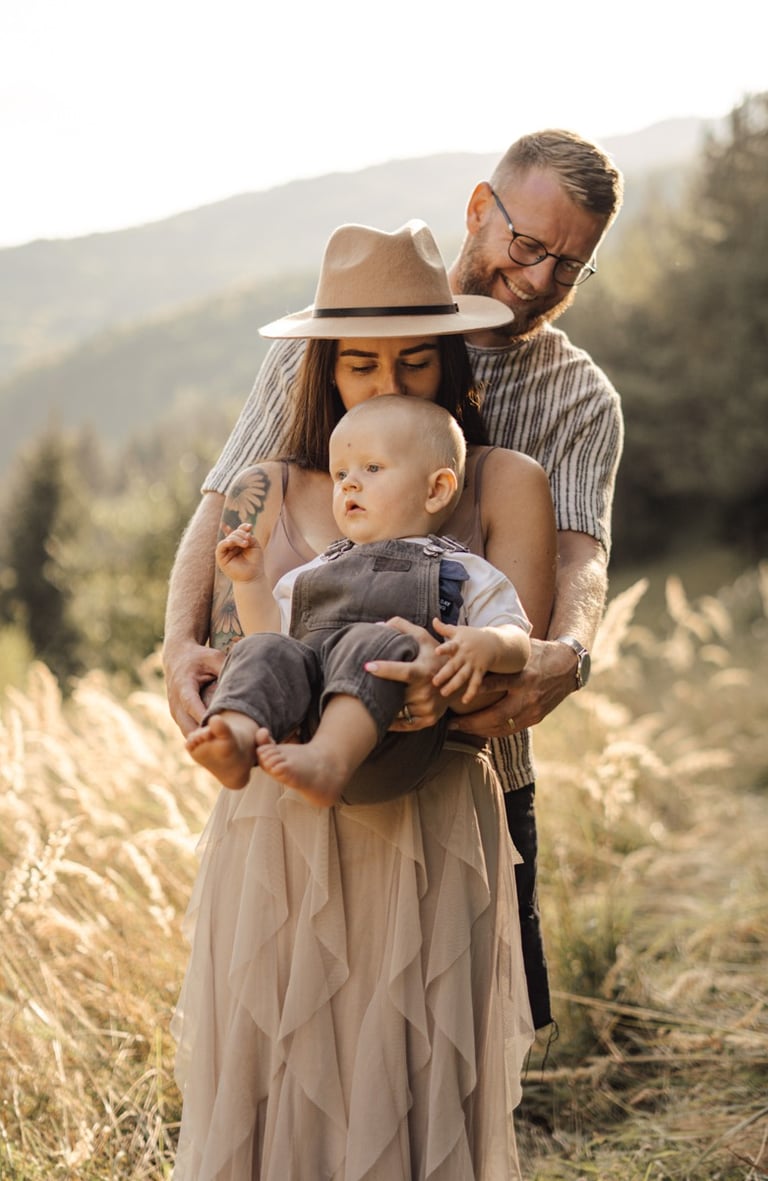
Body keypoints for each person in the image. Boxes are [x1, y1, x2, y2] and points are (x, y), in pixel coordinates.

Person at [163, 128, 625, 1032]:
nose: (537, 280)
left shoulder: (577, 398)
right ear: (478, 213)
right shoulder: (327, 338)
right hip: (298, 742)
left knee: (456, 1030)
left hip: (466, 750)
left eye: (568, 267)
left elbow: (580, 554)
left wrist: (565, 654)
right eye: (527, 245)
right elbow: (229, 498)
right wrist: (180, 639)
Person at [171, 219, 557, 1180]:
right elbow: (246, 643)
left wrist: (448, 692)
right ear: (323, 373)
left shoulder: (501, 481)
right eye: (358, 366)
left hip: (426, 818)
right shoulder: (261, 489)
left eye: (416, 362)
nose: (385, 384)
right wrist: (203, 645)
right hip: (281, 824)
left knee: (410, 1078)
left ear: (452, 361)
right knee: (279, 1080)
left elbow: (521, 663)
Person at [185, 396, 532, 806]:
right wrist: (249, 581)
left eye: (372, 468)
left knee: (380, 641)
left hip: (396, 740)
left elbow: (519, 640)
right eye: (340, 474)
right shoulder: (314, 572)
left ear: (436, 490)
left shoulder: (459, 569)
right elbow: (275, 638)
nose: (349, 483)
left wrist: (490, 645)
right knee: (261, 648)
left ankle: (330, 758)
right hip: (306, 729)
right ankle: (237, 737)